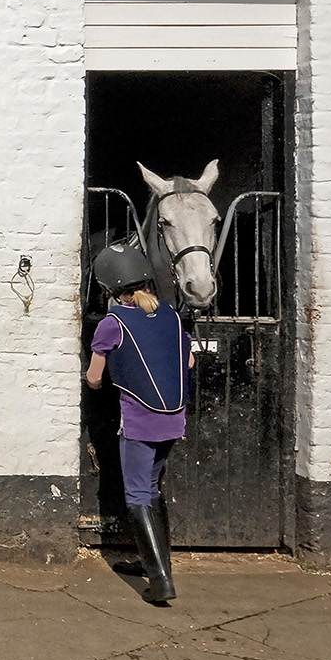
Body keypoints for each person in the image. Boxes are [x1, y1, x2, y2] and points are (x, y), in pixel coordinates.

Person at [85, 242, 193, 605]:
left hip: (139, 420)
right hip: (173, 418)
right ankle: (157, 562)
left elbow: (94, 378)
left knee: (136, 495)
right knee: (152, 488)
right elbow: (188, 363)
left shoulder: (112, 324)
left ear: (111, 287)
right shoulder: (172, 316)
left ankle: (160, 579)